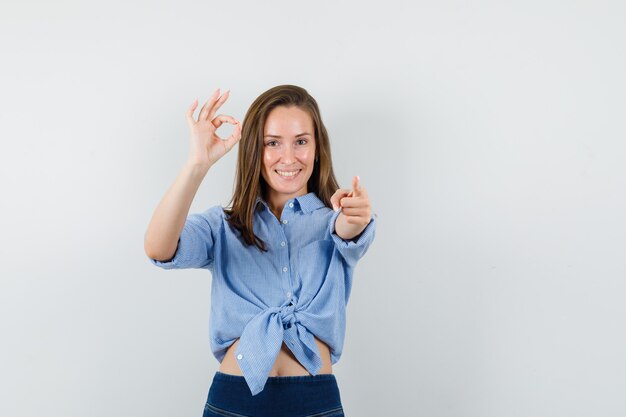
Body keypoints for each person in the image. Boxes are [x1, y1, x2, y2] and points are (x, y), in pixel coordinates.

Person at [144, 85, 377, 417]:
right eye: (272, 143)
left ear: (317, 147)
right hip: (235, 402)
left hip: (314, 402)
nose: (288, 157)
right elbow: (158, 248)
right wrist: (197, 165)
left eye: (301, 141)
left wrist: (354, 219)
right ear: (255, 149)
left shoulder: (336, 221)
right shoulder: (222, 226)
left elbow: (349, 231)